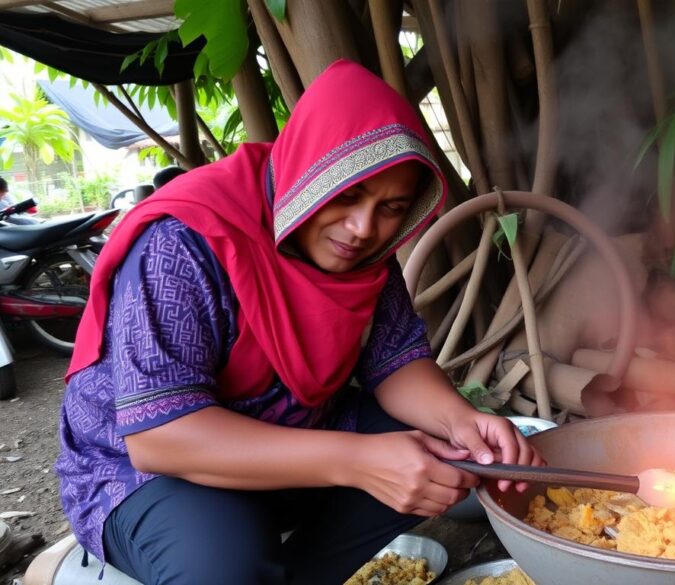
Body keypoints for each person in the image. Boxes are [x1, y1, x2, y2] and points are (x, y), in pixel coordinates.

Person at [56, 60, 540, 585]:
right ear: (309, 173)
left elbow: (397, 362)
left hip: (292, 427)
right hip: (140, 467)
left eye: (392, 207)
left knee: (445, 456)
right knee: (223, 565)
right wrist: (357, 461)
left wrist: (461, 422)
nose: (363, 229)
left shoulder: (367, 254)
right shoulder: (184, 242)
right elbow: (160, 438)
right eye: (348, 195)